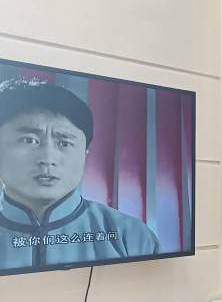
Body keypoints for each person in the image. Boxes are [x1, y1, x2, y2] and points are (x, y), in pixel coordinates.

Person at [0, 79, 159, 270]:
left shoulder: (130, 236)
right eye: (29, 140)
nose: (48, 158)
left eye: (64, 143)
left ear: (85, 155)